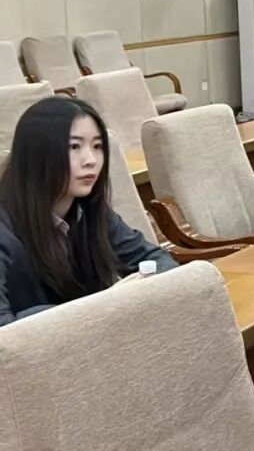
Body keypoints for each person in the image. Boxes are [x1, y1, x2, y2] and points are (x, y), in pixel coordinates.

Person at [0, 97, 177, 326]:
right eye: (74, 147)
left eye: (97, 146)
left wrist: (119, 298)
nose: (91, 160)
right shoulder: (5, 228)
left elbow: (158, 261)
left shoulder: (90, 210)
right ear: (36, 154)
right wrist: (99, 306)